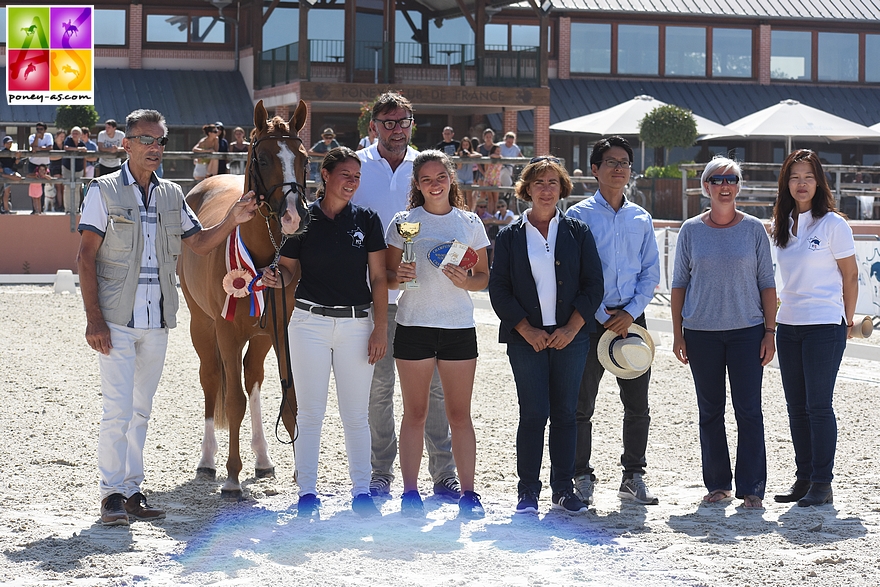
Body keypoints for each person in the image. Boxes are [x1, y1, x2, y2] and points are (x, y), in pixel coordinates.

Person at [76, 108, 258, 526]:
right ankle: (110, 495)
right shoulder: (103, 190)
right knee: (118, 410)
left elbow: (200, 244)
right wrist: (94, 319)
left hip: (157, 320)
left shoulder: (173, 194)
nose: (155, 147)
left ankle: (132, 491)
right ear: (126, 144)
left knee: (141, 410)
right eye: (146, 139)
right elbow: (85, 257)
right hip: (116, 320)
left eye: (160, 140)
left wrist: (232, 219)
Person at [261, 147, 388, 518]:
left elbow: (379, 277)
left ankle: (361, 491)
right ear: (326, 175)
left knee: (356, 415)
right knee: (310, 413)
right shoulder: (303, 219)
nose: (352, 182)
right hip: (309, 324)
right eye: (345, 174)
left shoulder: (367, 220)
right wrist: (277, 277)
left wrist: (380, 328)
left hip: (357, 324)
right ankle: (307, 493)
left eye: (357, 177)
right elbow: (288, 269)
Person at [351, 92, 460, 501]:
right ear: (373, 126)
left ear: (412, 124)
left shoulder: (427, 166)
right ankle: (380, 472)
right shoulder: (356, 166)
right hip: (373, 300)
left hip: (425, 300)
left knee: (434, 392)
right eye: (388, 122)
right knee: (378, 391)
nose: (397, 129)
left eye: (403, 121)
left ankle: (443, 473)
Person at [488, 156, 604, 515]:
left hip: (572, 338)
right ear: (526, 189)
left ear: (562, 188)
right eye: (538, 182)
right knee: (533, 413)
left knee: (566, 414)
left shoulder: (578, 232)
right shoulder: (509, 236)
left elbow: (593, 285)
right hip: (526, 340)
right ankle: (527, 491)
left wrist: (572, 327)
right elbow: (499, 289)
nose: (546, 189)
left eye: (553, 182)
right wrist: (526, 329)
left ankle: (563, 489)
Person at [386, 149, 490, 518]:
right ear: (417, 184)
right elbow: (386, 277)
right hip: (413, 325)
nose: (434, 184)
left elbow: (483, 277)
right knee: (414, 413)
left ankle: (469, 493)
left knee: (459, 415)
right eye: (426, 179)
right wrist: (398, 276)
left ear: (451, 179)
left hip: (458, 327)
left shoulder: (470, 222)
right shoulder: (403, 222)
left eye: (440, 177)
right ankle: (410, 492)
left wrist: (467, 281)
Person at [671, 156, 777, 510]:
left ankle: (752, 487)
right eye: (717, 180)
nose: (725, 185)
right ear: (706, 187)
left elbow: (767, 283)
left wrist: (770, 332)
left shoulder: (754, 229)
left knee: (749, 410)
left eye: (731, 179)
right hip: (701, 332)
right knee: (710, 411)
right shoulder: (690, 230)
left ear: (739, 186)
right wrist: (678, 333)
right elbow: (679, 284)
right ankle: (718, 484)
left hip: (748, 331)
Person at [565, 136, 662, 507]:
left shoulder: (641, 217)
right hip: (590, 320)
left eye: (624, 162)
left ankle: (633, 475)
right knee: (581, 404)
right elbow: (573, 273)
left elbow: (650, 271)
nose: (619, 168)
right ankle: (580, 475)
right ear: (595, 169)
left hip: (633, 319)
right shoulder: (578, 215)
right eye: (611, 162)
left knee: (638, 404)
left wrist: (630, 313)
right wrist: (601, 314)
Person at [770, 149, 858, 507]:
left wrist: (847, 320)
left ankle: (823, 483)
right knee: (796, 407)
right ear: (786, 184)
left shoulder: (834, 224)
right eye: (794, 177)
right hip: (788, 325)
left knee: (818, 406)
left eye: (808, 176)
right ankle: (804, 478)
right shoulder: (781, 224)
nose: (801, 183)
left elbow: (851, 276)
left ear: (819, 181)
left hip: (824, 324)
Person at [478, 129, 501, 214]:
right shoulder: (480, 147)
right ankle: (483, 213)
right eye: (487, 136)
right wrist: (483, 172)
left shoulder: (496, 147)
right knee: (483, 195)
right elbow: (479, 162)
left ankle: (495, 214)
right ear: (484, 137)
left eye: (490, 137)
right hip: (484, 173)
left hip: (494, 175)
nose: (488, 138)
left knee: (495, 198)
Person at [455, 137, 481, 211]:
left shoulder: (472, 153)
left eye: (467, 145)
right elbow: (459, 167)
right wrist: (461, 157)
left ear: (469, 145)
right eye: (464, 145)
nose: (465, 147)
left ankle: (469, 212)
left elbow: (480, 155)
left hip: (469, 177)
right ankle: (461, 211)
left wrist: (470, 155)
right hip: (460, 176)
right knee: (461, 196)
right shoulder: (457, 154)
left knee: (469, 197)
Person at [1, 136, 23, 214]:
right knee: (6, 192)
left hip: (10, 171)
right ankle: (6, 209)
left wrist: (18, 157)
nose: (9, 144)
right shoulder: (1, 152)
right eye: (7, 143)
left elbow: (16, 163)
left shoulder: (12, 153)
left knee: (7, 192)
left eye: (10, 143)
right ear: (4, 144)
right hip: (5, 170)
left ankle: (6, 210)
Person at [48, 130, 67, 211]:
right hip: (55, 167)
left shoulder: (65, 145)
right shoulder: (53, 145)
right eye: (61, 136)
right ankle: (60, 205)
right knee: (58, 187)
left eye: (63, 137)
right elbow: (51, 157)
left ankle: (65, 205)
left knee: (64, 187)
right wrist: (61, 156)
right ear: (57, 136)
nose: (62, 138)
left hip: (64, 166)